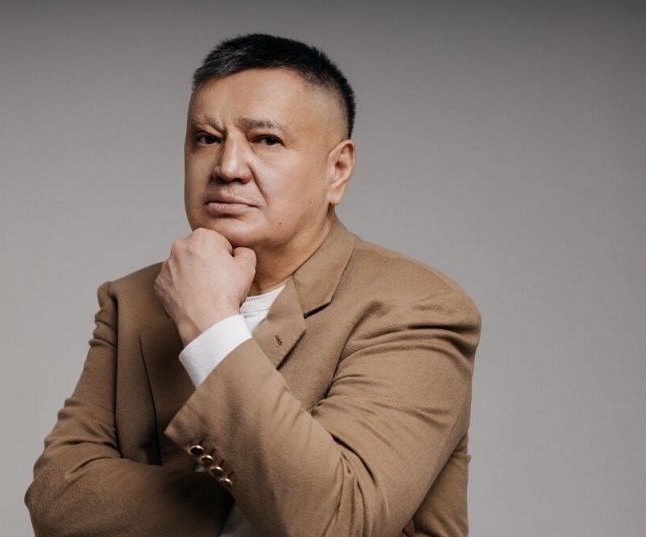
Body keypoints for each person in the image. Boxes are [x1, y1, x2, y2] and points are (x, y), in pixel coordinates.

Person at [25, 33, 481, 537]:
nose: (226, 168)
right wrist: (259, 496)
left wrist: (208, 322)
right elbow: (56, 501)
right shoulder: (132, 300)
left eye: (265, 140)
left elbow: (337, 523)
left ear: (337, 170)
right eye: (206, 138)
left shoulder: (417, 307)